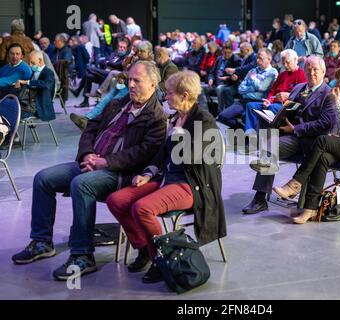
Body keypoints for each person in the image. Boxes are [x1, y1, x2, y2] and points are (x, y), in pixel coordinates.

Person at [11, 61, 167, 280]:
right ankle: (42, 241)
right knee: (43, 179)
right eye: (129, 79)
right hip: (91, 162)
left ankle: (83, 255)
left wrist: (105, 162)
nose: (130, 85)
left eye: (136, 81)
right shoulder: (118, 103)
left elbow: (142, 153)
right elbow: (90, 128)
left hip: (120, 173)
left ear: (152, 85)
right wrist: (87, 155)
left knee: (81, 184)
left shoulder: (157, 117)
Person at [106, 70, 226, 279]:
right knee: (116, 200)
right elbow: (161, 154)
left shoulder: (204, 120)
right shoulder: (176, 117)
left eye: (170, 93)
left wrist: (178, 135)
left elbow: (196, 158)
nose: (166, 97)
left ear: (184, 95)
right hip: (166, 179)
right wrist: (148, 173)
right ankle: (144, 248)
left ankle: (162, 259)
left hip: (191, 184)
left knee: (142, 208)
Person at [273, 64, 340, 224]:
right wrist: (332, 131)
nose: (337, 85)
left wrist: (336, 103)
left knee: (321, 140)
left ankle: (295, 184)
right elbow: (338, 125)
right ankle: (310, 209)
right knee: (323, 157)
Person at [242, 56, 336, 214]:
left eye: (315, 70)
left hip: (308, 140)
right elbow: (288, 110)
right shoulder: (299, 87)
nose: (311, 72)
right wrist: (278, 118)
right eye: (308, 69)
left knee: (271, 147)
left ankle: (259, 198)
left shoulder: (328, 94)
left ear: (323, 72)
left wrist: (296, 128)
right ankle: (264, 165)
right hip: (288, 133)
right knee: (264, 124)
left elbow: (325, 124)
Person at [244, 49, 307, 133]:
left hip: (286, 106)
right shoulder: (282, 74)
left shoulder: (302, 75)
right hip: (273, 103)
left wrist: (289, 95)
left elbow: (303, 95)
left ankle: (261, 137)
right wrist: (269, 100)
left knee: (271, 108)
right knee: (250, 106)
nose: (285, 65)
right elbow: (272, 90)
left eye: (288, 62)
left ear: (296, 60)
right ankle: (249, 135)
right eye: (283, 62)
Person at [217, 48, 278, 129]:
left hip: (258, 102)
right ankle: (242, 129)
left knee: (246, 118)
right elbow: (241, 88)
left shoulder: (273, 72)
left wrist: (252, 79)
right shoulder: (253, 70)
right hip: (244, 100)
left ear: (269, 59)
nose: (258, 61)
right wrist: (253, 89)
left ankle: (247, 132)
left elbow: (262, 88)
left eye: (261, 58)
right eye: (257, 58)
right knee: (222, 116)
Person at [14, 50, 55, 121]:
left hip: (40, 107)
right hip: (29, 105)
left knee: (13, 114)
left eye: (32, 63)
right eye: (29, 63)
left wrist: (28, 82)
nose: (30, 65)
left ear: (40, 60)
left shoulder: (49, 72)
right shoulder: (34, 72)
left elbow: (46, 84)